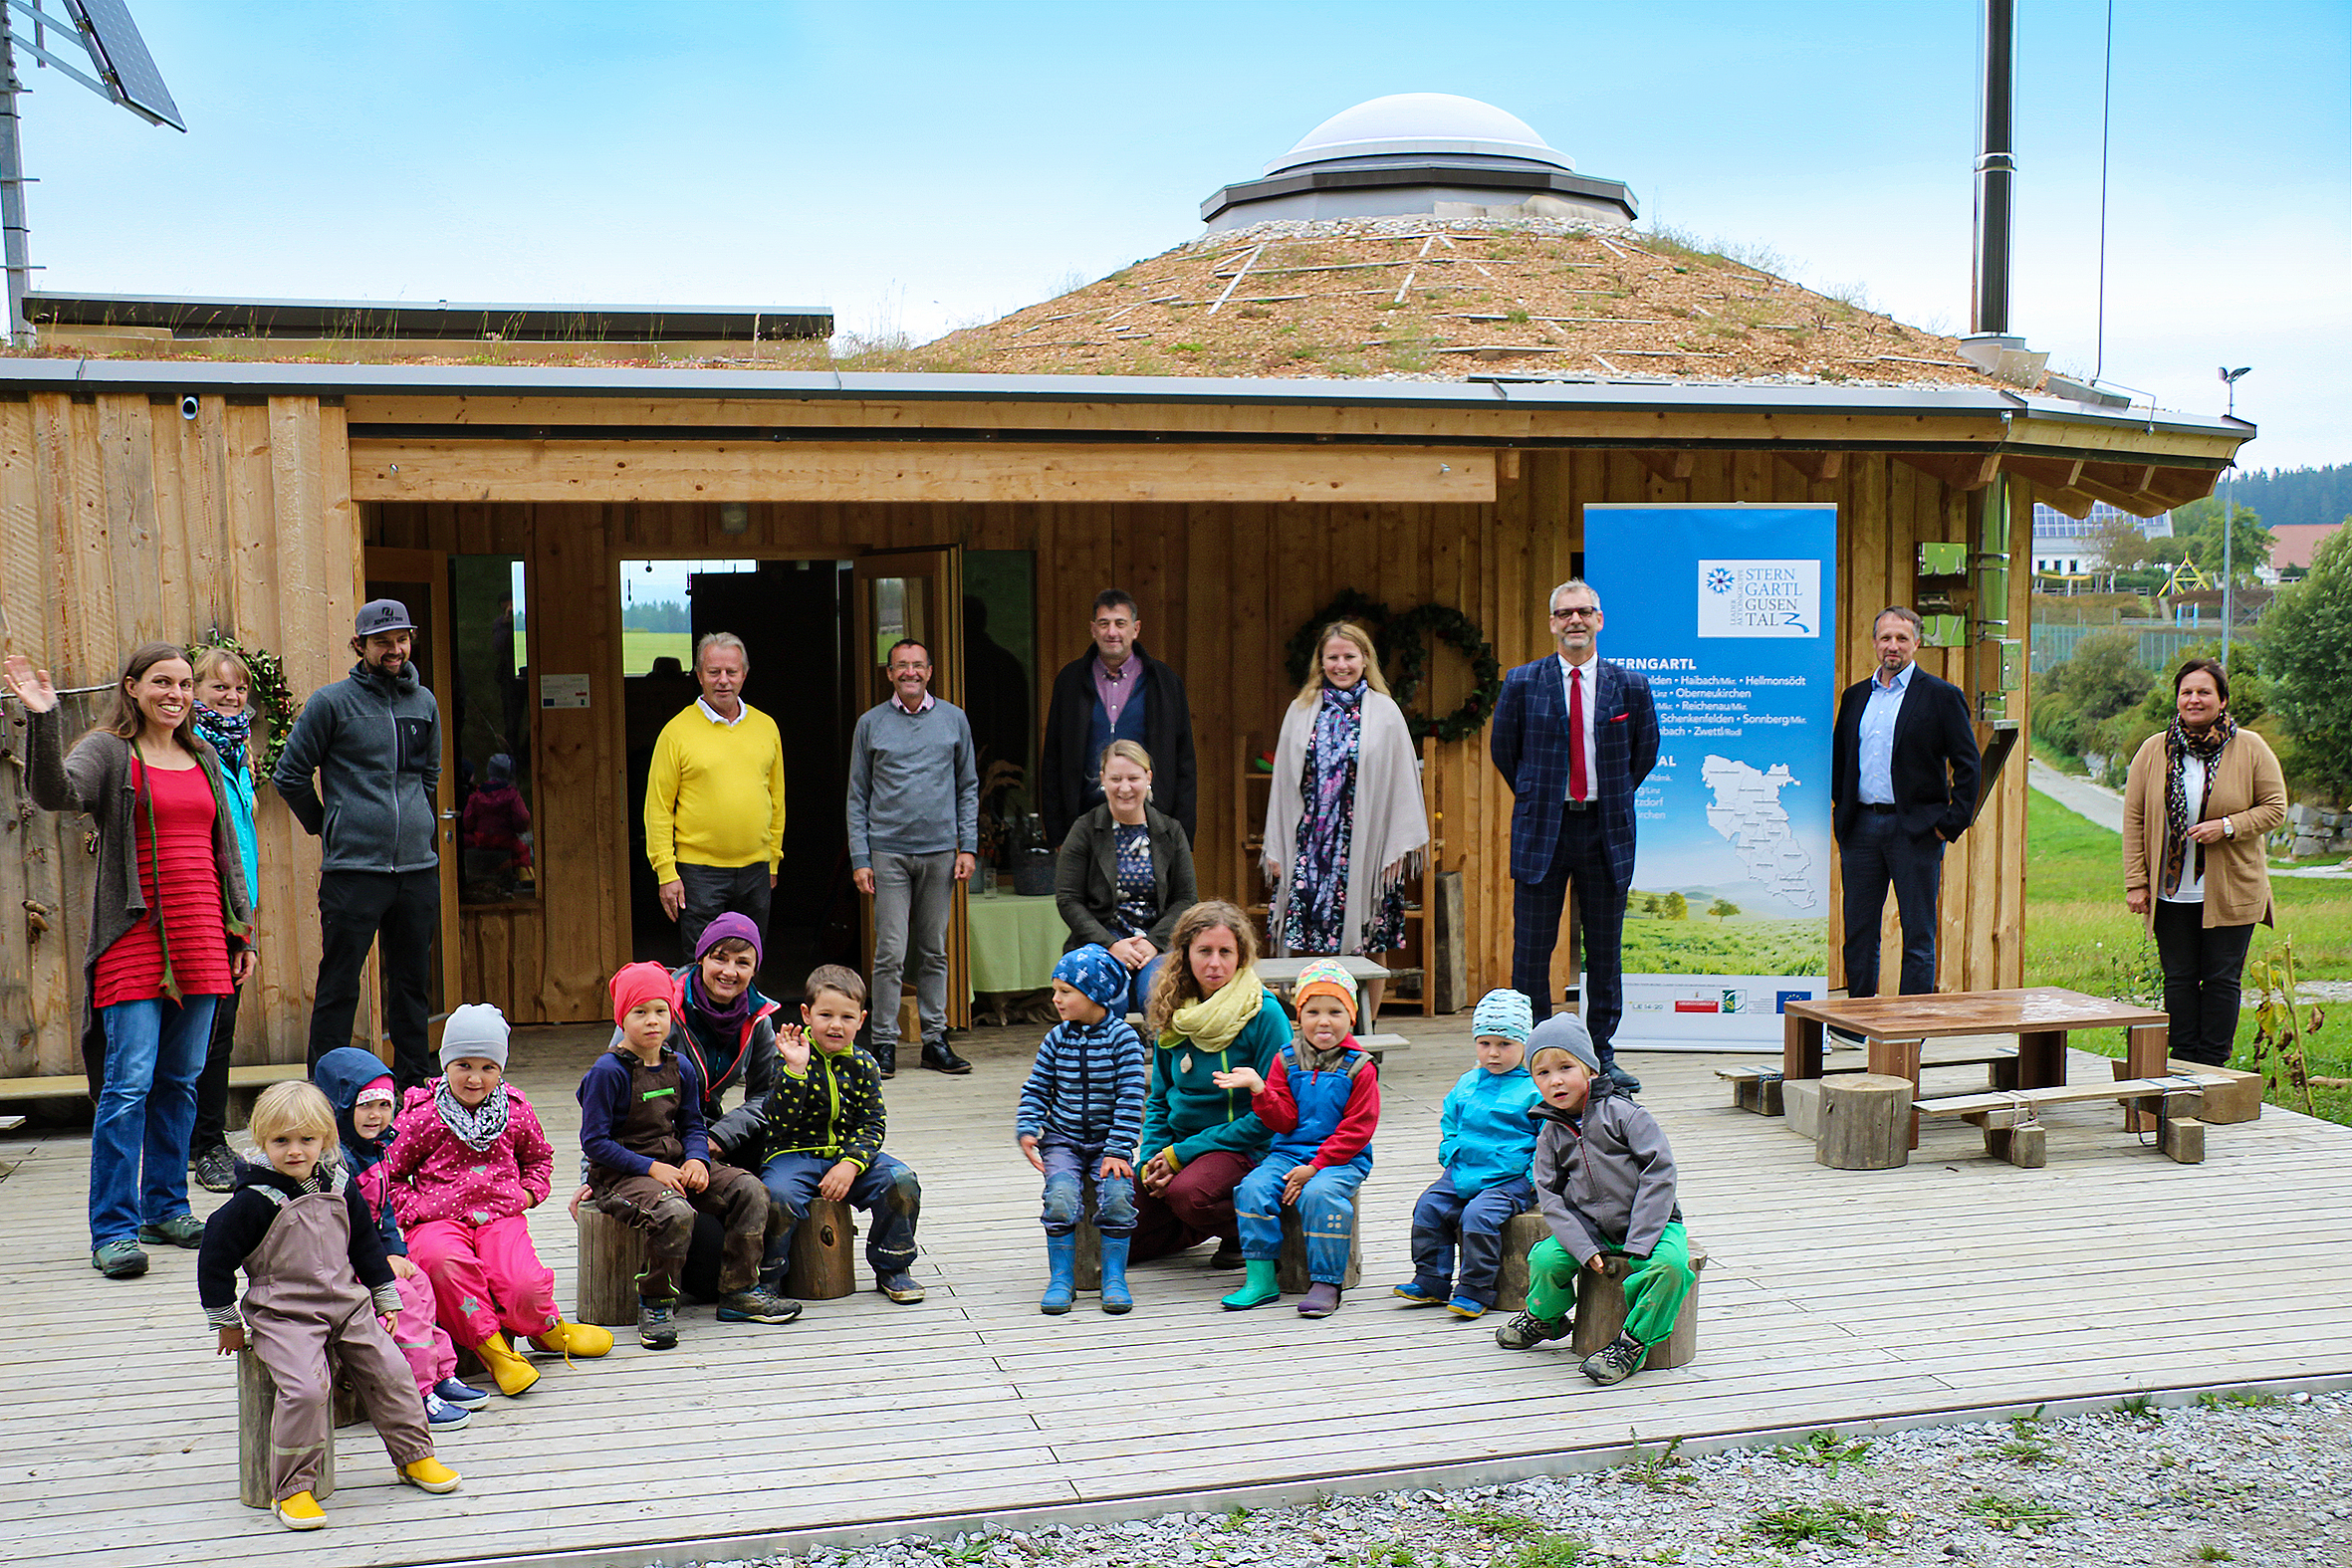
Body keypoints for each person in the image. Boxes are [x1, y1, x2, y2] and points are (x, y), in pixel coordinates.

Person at [9, 645, 255, 1280]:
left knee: (182, 1080)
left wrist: (241, 933)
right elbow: (53, 792)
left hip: (203, 939)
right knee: (128, 1085)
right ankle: (114, 1228)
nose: (176, 694)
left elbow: (225, 850)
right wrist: (44, 717)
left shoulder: (203, 755)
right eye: (161, 682)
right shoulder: (109, 751)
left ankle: (165, 1207)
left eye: (184, 684)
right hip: (134, 939)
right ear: (133, 688)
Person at [197, 1081, 461, 1530]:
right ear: (262, 1141)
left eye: (307, 1139)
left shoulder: (339, 1184)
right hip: (285, 1312)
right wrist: (227, 1321)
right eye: (281, 1141)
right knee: (306, 1390)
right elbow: (214, 1261)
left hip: (347, 1303)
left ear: (326, 1139)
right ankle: (292, 1487)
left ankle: (415, 1456)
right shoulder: (252, 1201)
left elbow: (365, 1244)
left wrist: (384, 1296)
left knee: (393, 1370)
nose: (295, 1151)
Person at [381, 1004, 613, 1397]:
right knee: (443, 1264)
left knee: (522, 1281)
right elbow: (390, 1173)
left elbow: (538, 1158)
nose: (475, 1078)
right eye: (463, 1065)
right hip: (437, 1220)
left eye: (487, 1067)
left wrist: (527, 1192)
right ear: (446, 1063)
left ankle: (547, 1330)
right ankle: (495, 1351)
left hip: (499, 1215)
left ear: (500, 1069)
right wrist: (415, 1209)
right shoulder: (422, 1115)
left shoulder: (515, 1111)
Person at [1490, 579, 1658, 1092]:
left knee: (1604, 953)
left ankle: (1599, 1056)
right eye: (1565, 614)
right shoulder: (1522, 683)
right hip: (1543, 830)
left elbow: (1643, 753)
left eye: (1584, 612)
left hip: (1605, 831)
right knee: (1531, 952)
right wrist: (1540, 795)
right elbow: (1505, 751)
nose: (1575, 621)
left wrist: (1607, 795)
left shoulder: (1630, 686)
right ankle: (1537, 1058)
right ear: (1552, 624)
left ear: (1599, 620)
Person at [585, 963, 802, 1351]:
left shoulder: (678, 1066)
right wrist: (651, 1167)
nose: (652, 1021)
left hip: (676, 1163)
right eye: (640, 1012)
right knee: (675, 1213)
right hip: (622, 1174)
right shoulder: (608, 1072)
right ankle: (656, 1303)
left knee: (750, 1189)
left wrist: (698, 1159)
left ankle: (739, 1291)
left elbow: (692, 1124)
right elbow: (595, 1142)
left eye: (660, 1011)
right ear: (622, 1018)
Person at [272, 598, 442, 1090]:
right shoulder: (332, 704)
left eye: (402, 639)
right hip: (353, 872)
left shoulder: (424, 703)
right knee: (340, 985)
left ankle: (415, 1091)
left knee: (411, 986)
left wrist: (418, 822)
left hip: (417, 870)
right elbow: (290, 774)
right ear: (359, 645)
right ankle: (326, 1093)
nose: (395, 649)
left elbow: (428, 775)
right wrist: (328, 826)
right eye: (383, 641)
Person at [1494, 1014, 1695, 1387]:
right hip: (1590, 1227)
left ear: (1590, 1068)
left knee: (1671, 1268)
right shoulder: (1550, 1133)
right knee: (1545, 1258)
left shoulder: (1627, 1115)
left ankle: (1632, 1343)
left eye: (1565, 1068)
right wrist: (1582, 1246)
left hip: (1653, 1224)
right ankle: (1545, 1317)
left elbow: (1660, 1173)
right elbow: (1551, 1196)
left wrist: (1641, 1240)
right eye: (1542, 1073)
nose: (1555, 1080)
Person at [729, 966, 932, 1305]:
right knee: (776, 1197)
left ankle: (893, 1266)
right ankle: (770, 1277)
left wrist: (851, 1163)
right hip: (792, 1154)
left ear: (861, 1020)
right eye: (826, 1015)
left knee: (901, 1181)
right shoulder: (788, 1056)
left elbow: (872, 1123)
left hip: (847, 1155)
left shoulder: (864, 1064)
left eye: (847, 1017)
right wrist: (795, 1072)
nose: (836, 1025)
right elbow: (776, 1121)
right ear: (806, 1014)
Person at [2122, 659, 2287, 1066]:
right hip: (2170, 891)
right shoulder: (2153, 750)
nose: (2194, 699)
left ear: (2222, 699)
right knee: (2178, 980)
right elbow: (2134, 817)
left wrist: (2227, 826)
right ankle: (2181, 1063)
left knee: (2221, 980)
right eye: (2187, 692)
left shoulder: (2250, 747)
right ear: (2177, 699)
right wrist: (2136, 881)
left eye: (2204, 692)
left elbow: (2275, 808)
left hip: (2232, 888)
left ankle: (2213, 1066)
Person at [314, 1046, 487, 1433]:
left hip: (375, 1255)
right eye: (364, 1106)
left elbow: (385, 1212)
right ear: (338, 1106)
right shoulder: (333, 1164)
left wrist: (396, 1250)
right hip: (345, 1266)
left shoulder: (376, 1149)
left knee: (421, 1285)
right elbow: (341, 1233)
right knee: (403, 1300)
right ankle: (417, 1392)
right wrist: (379, 1263)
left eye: (384, 1105)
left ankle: (441, 1375)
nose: (376, 1116)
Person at [1263, 620, 1429, 1020]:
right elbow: (1283, 783)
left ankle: (1365, 1029)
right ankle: (1310, 1024)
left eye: (1349, 656)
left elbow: (1402, 780)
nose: (1341, 665)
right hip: (1312, 847)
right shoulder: (1301, 710)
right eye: (1333, 657)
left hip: (1367, 846)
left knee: (1371, 940)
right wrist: (1278, 846)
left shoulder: (1386, 713)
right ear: (1320, 662)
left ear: (1365, 659)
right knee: (1306, 939)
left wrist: (1395, 846)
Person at [1213, 957, 1379, 1318]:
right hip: (1288, 1154)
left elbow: (1357, 1129)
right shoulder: (1285, 1059)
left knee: (1320, 1195)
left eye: (1335, 1011)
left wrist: (1315, 1167)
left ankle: (1326, 1281)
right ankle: (1261, 1277)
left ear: (1351, 1017)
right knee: (1253, 1188)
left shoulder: (1360, 1067)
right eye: (1313, 1011)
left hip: (1341, 1159)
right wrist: (1260, 1089)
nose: (1324, 1021)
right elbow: (1284, 1120)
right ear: (1299, 1016)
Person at [1830, 605, 1982, 999]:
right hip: (1861, 830)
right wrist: (1842, 814)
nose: (1893, 646)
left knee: (1918, 934)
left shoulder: (1941, 696)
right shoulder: (1855, 697)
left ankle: (1910, 1024)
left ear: (1916, 643)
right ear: (1874, 643)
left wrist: (1949, 824)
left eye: (1901, 638)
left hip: (1915, 831)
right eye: (1885, 638)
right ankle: (1857, 1020)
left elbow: (1969, 765)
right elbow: (1840, 760)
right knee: (1859, 933)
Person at [1130, 901, 1291, 1267]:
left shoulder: (1265, 1013)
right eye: (1204, 951)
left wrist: (1181, 1156)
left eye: (1225, 952)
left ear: (1241, 956)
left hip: (1244, 1148)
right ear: (1186, 954)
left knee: (1189, 1194)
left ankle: (1256, 1229)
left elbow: (1272, 1112)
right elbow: (1160, 1099)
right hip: (1179, 1148)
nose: (1214, 963)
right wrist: (1152, 1159)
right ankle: (1198, 1223)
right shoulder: (1174, 1008)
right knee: (1116, 1226)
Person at [847, 638, 979, 1076]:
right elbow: (857, 795)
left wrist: (968, 845)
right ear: (889, 673)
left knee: (934, 950)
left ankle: (934, 1040)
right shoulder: (870, 724)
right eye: (901, 665)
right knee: (890, 952)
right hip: (888, 851)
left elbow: (968, 787)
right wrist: (861, 857)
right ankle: (884, 1041)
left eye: (918, 665)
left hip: (940, 851)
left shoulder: (954, 719)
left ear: (930, 671)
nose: (910, 672)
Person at [1393, 987, 1541, 1320]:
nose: (1493, 1053)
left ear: (1525, 1044)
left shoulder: (1533, 1089)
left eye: (1505, 1044)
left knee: (1477, 1218)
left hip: (1510, 1178)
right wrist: (1450, 1150)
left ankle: (1475, 1289)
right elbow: (1451, 1119)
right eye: (1484, 1043)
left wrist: (1533, 1177)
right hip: (1464, 1169)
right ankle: (1431, 1279)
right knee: (1429, 1207)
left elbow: (1547, 1137)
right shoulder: (1468, 1082)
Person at [1016, 946, 1147, 1316]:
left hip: (1110, 1142)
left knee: (1119, 1196)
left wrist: (1118, 1148)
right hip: (1063, 1140)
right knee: (1059, 1196)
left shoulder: (1123, 1039)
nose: (1055, 999)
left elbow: (1131, 1096)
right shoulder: (1056, 1038)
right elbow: (1037, 1088)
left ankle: (1114, 1278)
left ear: (1095, 994)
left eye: (1065, 991)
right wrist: (1028, 1126)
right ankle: (1062, 1278)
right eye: (1055, 990)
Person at [645, 632, 787, 958]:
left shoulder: (766, 727)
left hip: (756, 869)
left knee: (749, 960)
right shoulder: (676, 732)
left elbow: (776, 798)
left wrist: (773, 858)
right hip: (698, 873)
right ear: (699, 676)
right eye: (713, 672)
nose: (723, 680)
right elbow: (658, 808)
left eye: (731, 672)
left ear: (744, 675)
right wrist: (666, 872)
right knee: (701, 963)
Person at [187, 648, 264, 1195]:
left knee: (221, 1030)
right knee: (206, 1033)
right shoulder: (192, 750)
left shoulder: (238, 751)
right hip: (203, 910)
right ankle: (203, 1144)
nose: (232, 697)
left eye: (238, 688)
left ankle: (205, 1139)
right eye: (219, 688)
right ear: (195, 693)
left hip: (237, 911)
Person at [1041, 589, 1198, 845]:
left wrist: (1181, 834)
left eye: (1120, 623)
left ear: (1135, 629)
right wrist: (1058, 833)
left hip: (1152, 826)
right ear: (1093, 629)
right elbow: (1053, 759)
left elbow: (1184, 762)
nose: (1112, 632)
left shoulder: (1164, 683)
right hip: (1083, 826)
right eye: (1104, 624)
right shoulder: (1070, 682)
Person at [1055, 740, 1198, 1017]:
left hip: (1157, 946)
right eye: (1115, 779)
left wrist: (1152, 942)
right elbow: (1068, 900)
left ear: (1148, 778)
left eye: (1133, 778)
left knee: (1157, 995)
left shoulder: (1171, 831)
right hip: (1099, 945)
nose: (1124, 788)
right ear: (1102, 780)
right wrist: (1110, 944)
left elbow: (1186, 899)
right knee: (1104, 999)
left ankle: (1160, 1049)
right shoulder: (1084, 830)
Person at [460, 752, 533, 896]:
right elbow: (522, 820)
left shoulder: (477, 795)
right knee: (524, 852)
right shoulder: (512, 795)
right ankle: (526, 881)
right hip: (506, 841)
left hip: (481, 840)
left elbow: (467, 821)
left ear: (489, 771)